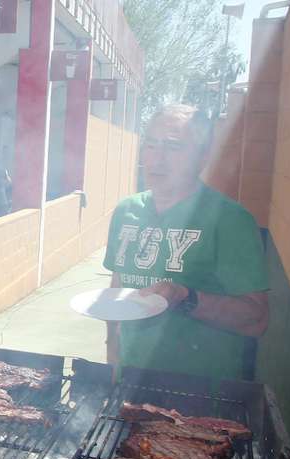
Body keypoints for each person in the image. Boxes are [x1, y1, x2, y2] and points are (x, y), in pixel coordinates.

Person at [103, 104, 269, 381]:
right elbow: (118, 285)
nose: (157, 160)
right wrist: (112, 350)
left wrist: (185, 297)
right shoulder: (126, 211)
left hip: (201, 393)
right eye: (151, 145)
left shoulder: (230, 220)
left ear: (203, 157)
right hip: (131, 379)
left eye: (173, 146)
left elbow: (257, 320)